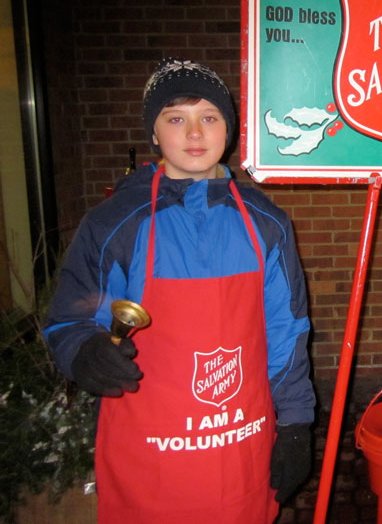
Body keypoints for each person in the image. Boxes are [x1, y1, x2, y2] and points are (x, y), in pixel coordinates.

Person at [44, 58, 315, 523]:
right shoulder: (114, 224)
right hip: (150, 461)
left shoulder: (266, 224)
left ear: (227, 131)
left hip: (242, 451)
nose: (194, 134)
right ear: (154, 133)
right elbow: (68, 319)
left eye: (209, 118)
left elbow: (286, 335)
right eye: (176, 119)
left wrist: (295, 424)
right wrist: (84, 352)